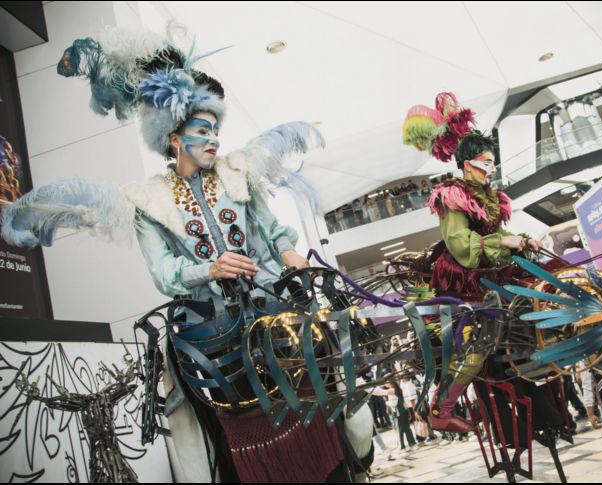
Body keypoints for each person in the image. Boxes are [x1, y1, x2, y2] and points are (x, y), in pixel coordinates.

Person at [25, 28, 370, 483]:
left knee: (338, 379)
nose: (213, 140)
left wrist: (289, 252)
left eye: (215, 130)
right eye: (202, 131)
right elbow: (164, 273)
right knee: (189, 427)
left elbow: (273, 229)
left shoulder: (237, 173)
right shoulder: (147, 200)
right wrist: (208, 267)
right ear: (173, 139)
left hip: (273, 312)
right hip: (207, 332)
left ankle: (355, 458)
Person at [403, 92, 541, 433]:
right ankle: (442, 407)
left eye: (492, 164)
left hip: (493, 273)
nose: (491, 170)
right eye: (485, 164)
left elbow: (501, 235)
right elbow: (461, 246)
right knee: (480, 342)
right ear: (468, 165)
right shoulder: (453, 195)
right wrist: (505, 242)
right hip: (464, 280)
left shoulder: (491, 196)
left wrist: (522, 242)